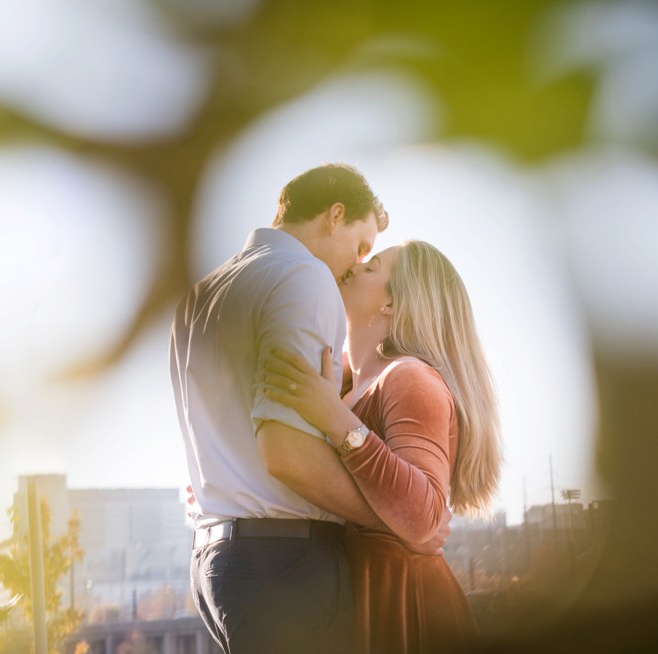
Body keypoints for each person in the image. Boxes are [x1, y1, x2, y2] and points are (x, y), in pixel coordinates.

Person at [170, 164, 447, 654]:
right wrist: (394, 520)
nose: (353, 266)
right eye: (361, 246)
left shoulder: (200, 295)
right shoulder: (305, 275)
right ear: (335, 216)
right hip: (286, 566)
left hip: (215, 564)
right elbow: (286, 456)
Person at [262, 240, 503, 653]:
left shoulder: (409, 378)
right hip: (352, 596)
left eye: (371, 266)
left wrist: (335, 419)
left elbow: (423, 514)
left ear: (392, 303)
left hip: (403, 605)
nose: (354, 268)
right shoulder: (344, 387)